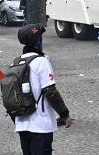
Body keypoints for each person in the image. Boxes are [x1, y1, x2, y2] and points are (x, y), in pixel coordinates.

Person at [13, 24, 71, 155]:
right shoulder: (41, 62)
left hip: (22, 124)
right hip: (40, 124)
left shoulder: (17, 62)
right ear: (38, 42)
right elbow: (50, 91)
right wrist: (64, 114)